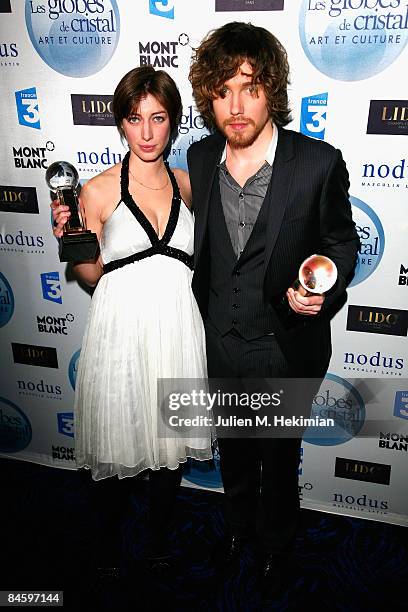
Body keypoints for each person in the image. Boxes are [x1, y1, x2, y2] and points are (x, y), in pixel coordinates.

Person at [188, 22, 360, 599]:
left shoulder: (316, 163)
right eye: (222, 90)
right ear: (209, 95)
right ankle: (236, 530)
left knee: (277, 459)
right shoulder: (201, 152)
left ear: (273, 92)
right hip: (219, 337)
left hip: (282, 343)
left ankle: (277, 547)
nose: (235, 106)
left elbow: (341, 244)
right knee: (232, 449)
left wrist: (322, 289)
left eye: (251, 87)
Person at [51, 66, 213, 573]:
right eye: (134, 118)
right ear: (120, 123)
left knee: (172, 444)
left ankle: (158, 540)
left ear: (173, 123)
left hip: (177, 326)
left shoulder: (190, 186)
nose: (146, 132)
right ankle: (106, 546)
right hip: (120, 328)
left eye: (158, 118)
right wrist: (69, 240)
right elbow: (92, 274)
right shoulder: (96, 191)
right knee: (119, 439)